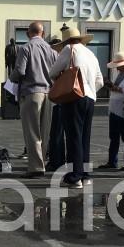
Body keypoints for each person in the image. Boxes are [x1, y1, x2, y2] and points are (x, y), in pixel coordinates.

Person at [49, 27, 103, 188]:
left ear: (67, 41)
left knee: (73, 137)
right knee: (84, 137)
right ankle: (85, 174)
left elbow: (52, 72)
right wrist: (89, 90)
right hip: (90, 98)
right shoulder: (91, 54)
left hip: (74, 98)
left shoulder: (68, 49)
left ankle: (75, 176)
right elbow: (100, 80)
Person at [9, 22, 57, 178]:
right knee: (45, 132)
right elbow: (57, 72)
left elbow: (20, 71)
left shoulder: (25, 48)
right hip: (49, 93)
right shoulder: (52, 50)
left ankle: (36, 168)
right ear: (43, 33)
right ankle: (41, 162)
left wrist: (12, 78)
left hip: (31, 93)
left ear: (28, 33)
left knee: (32, 133)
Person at [98, 51, 124, 171]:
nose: (118, 68)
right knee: (114, 136)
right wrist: (111, 86)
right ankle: (112, 161)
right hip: (115, 108)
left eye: (119, 66)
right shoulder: (122, 74)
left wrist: (117, 88)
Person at [47, 37, 66, 172]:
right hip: (66, 98)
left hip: (60, 98)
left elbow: (52, 74)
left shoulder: (62, 58)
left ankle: (56, 161)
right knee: (60, 133)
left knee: (56, 133)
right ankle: (59, 160)